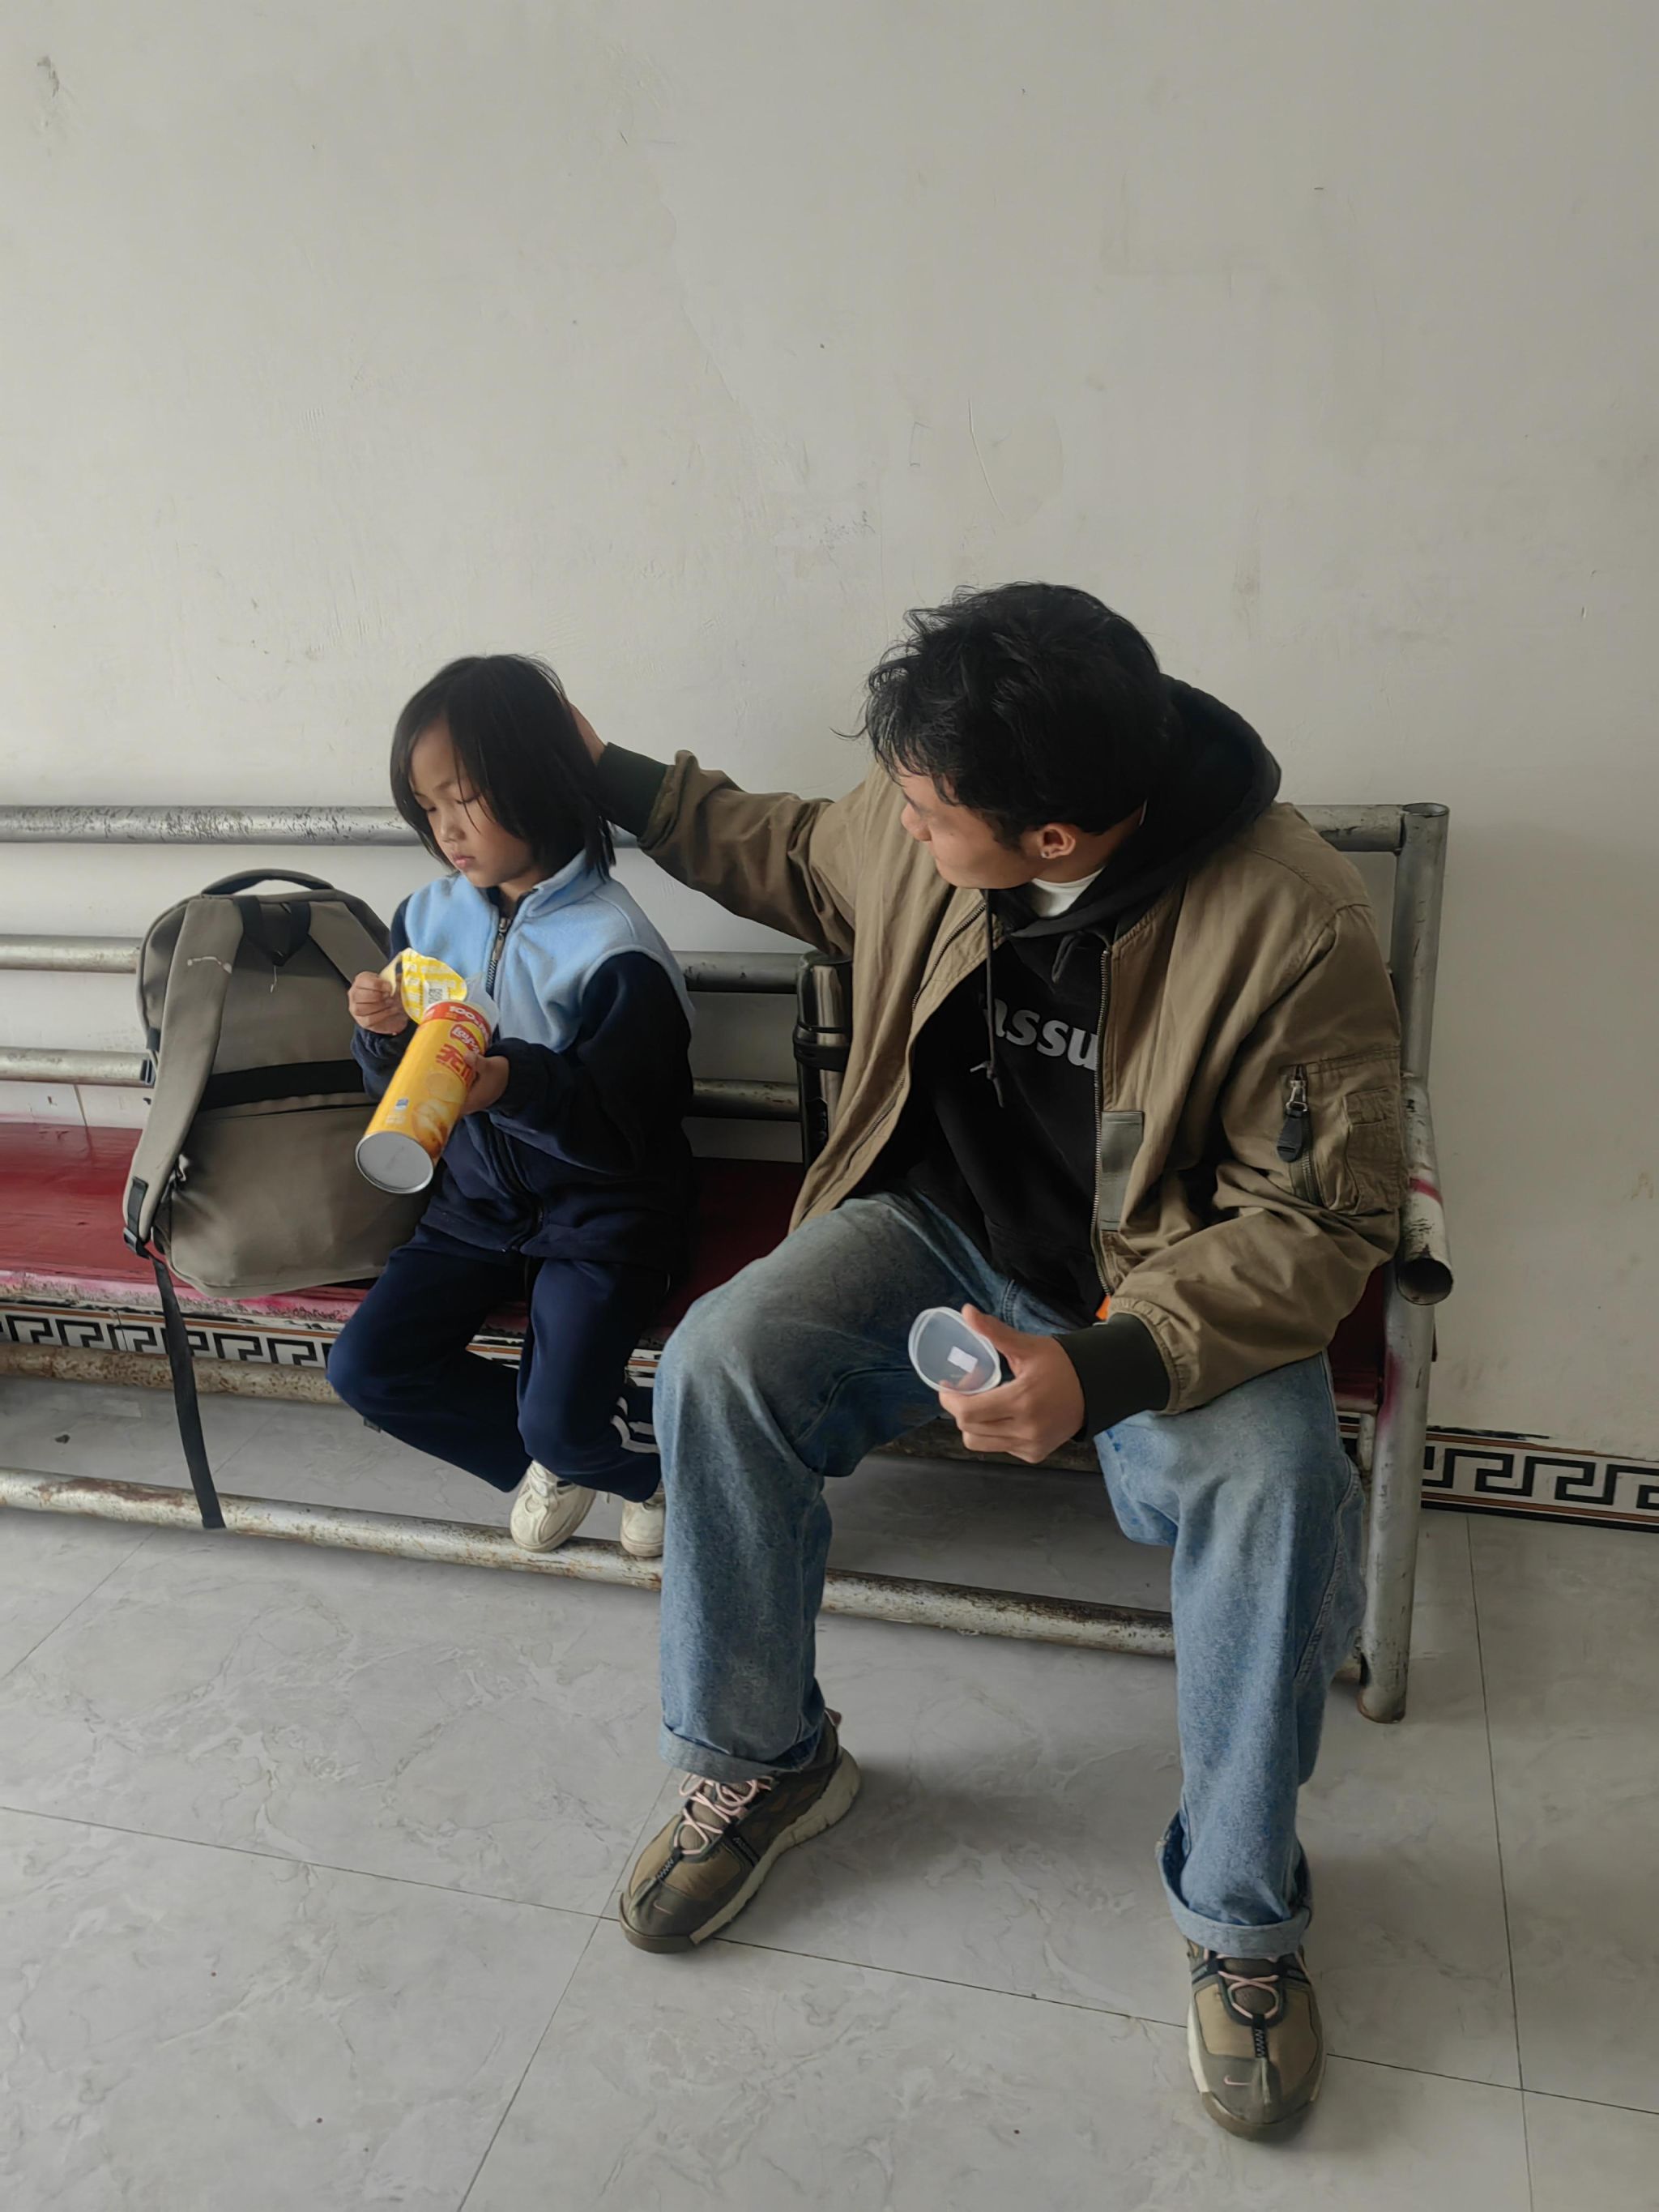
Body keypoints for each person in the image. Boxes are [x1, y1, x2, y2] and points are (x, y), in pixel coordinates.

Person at [582, 584, 1404, 2140]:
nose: (895, 823)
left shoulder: (1289, 920)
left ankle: (1240, 1915)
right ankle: (765, 1760)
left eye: (924, 811)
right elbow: (789, 847)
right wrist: (597, 768)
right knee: (719, 1361)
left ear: (1054, 838)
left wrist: (1105, 1369)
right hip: (936, 1238)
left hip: (1158, 1291)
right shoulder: (937, 802)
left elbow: (1320, 1218)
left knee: (1281, 1485)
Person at [331, 654, 694, 1561]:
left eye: (465, 798)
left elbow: (624, 1132)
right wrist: (382, 1036)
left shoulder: (614, 947)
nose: (447, 831)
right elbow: (399, 1092)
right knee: (368, 1368)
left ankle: (647, 1467)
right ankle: (571, 1454)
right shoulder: (425, 918)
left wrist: (512, 1082)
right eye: (428, 808)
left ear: (540, 778)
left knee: (562, 1416)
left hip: (601, 1215)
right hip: (473, 1208)